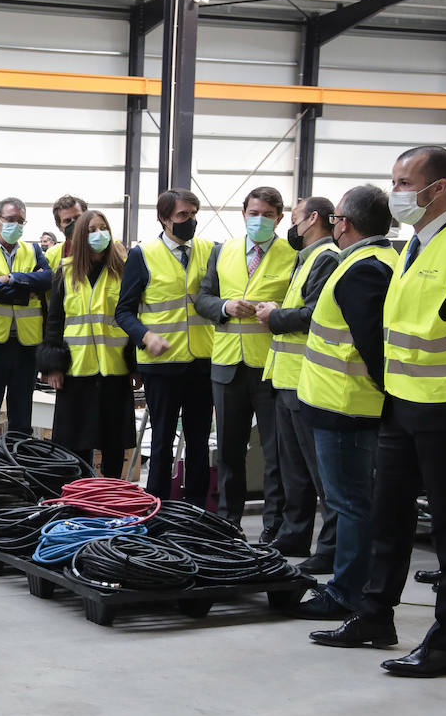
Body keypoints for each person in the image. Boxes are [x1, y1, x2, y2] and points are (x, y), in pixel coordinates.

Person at [312, 146, 446, 678]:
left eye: (407, 182)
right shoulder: (409, 249)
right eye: (394, 181)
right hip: (400, 410)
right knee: (389, 517)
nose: (397, 192)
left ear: (440, 191)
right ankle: (374, 615)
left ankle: (443, 643)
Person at [293, 185, 396, 619]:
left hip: (345, 405)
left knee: (349, 504)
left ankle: (346, 592)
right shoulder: (377, 260)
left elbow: (372, 345)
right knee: (353, 501)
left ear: (343, 222)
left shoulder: (363, 269)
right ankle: (354, 585)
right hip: (343, 403)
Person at [194, 186, 296, 541]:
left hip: (270, 367)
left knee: (274, 453)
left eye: (268, 215)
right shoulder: (223, 251)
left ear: (280, 218)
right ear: (243, 214)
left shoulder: (293, 255)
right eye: (254, 213)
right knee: (229, 451)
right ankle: (228, 521)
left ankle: (273, 525)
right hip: (226, 365)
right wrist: (224, 307)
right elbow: (202, 299)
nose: (260, 220)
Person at [115, 188, 215, 506]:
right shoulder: (142, 254)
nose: (190, 221)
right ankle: (157, 507)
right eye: (183, 215)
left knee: (199, 441)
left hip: (202, 361)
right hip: (161, 365)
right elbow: (124, 311)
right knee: (161, 441)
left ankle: (197, 510)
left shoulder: (210, 250)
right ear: (164, 218)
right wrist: (145, 337)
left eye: (194, 214)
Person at [257, 197, 340, 571]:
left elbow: (311, 315)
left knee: (319, 471)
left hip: (306, 379)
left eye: (294, 219)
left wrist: (274, 315)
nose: (291, 227)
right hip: (286, 377)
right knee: (294, 469)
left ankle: (330, 547)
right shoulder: (306, 259)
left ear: (313, 219)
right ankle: (294, 533)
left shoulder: (326, 259)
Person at [38, 209, 136, 476]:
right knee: (75, 447)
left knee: (114, 446)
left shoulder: (123, 270)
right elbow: (54, 321)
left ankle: (110, 501)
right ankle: (79, 502)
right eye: (91, 230)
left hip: (115, 370)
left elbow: (132, 316)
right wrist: (53, 365)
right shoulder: (66, 271)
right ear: (81, 236)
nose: (98, 234)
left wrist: (134, 364)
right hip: (75, 371)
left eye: (102, 228)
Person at [0, 197, 52, 464]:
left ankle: (19, 474)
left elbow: (48, 279)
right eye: (10, 220)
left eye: (20, 221)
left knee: (21, 421)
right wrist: (26, 290)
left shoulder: (34, 251)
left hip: (26, 345)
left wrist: (13, 278)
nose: (15, 225)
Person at [45, 194, 89, 266]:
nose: (75, 224)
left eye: (78, 217)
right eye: (67, 221)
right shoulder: (51, 255)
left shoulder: (109, 246)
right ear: (59, 226)